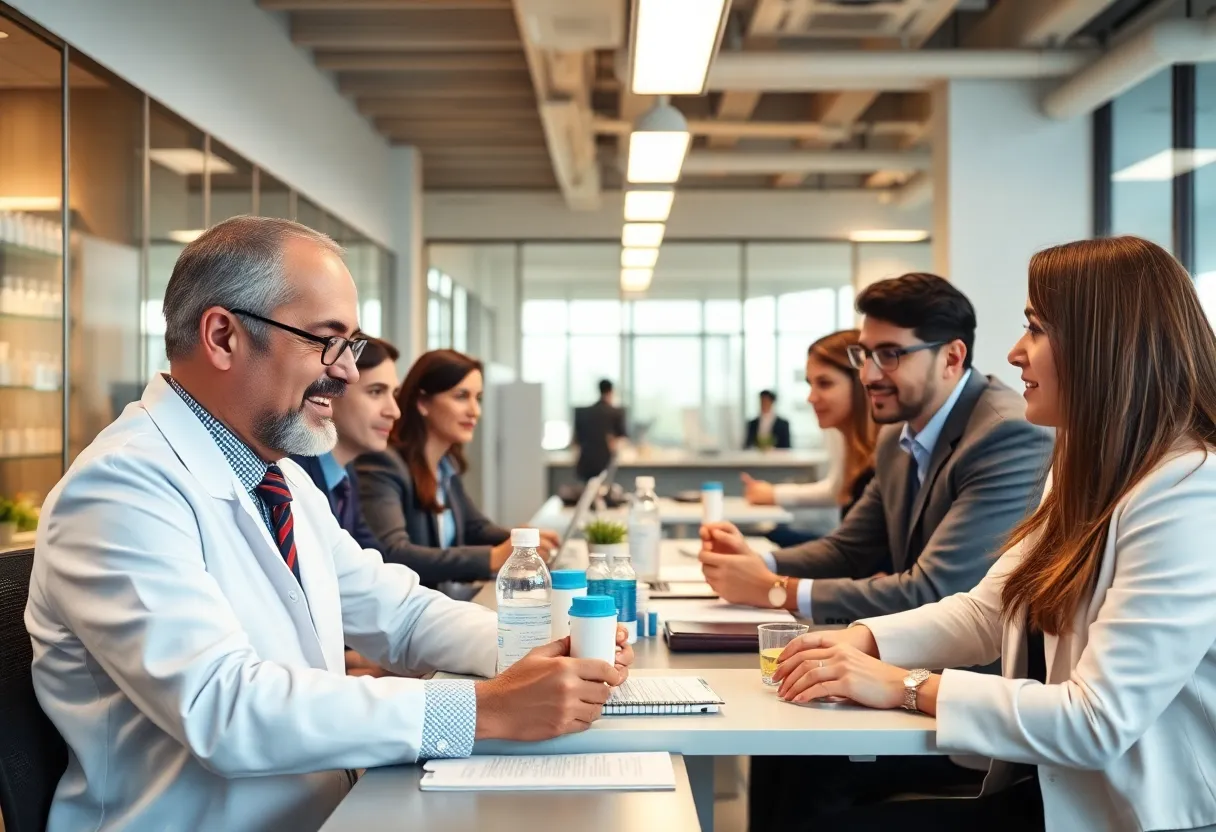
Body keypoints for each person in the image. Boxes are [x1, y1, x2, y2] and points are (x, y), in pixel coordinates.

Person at [24, 216, 634, 832]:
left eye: (351, 346)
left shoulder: (277, 477)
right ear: (222, 336)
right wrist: (481, 710)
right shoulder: (119, 488)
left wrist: (546, 649)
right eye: (326, 341)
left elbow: (398, 612)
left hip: (326, 811)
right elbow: (223, 708)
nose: (345, 372)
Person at [770, 236, 1216, 831]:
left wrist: (905, 685)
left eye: (1035, 329)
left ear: (1104, 345)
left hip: (1144, 818)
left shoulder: (1189, 492)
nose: (1013, 353)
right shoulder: (1090, 470)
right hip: (1056, 793)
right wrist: (861, 642)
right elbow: (989, 610)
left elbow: (1096, 721)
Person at [700, 272, 1052, 626]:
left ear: (951, 358)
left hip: (970, 674)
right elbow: (849, 550)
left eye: (889, 355)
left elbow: (936, 591)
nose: (868, 375)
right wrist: (755, 565)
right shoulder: (897, 434)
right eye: (865, 355)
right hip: (907, 657)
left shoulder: (1007, 435)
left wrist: (775, 589)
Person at [355, 349, 561, 592]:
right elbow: (394, 553)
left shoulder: (445, 465)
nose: (475, 411)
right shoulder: (384, 464)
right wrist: (493, 557)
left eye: (478, 398)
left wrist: (522, 541)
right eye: (461, 396)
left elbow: (476, 529)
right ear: (422, 402)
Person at [290, 335, 401, 678]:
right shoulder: (294, 474)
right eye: (376, 392)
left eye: (393, 394)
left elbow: (373, 567)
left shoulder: (344, 475)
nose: (393, 411)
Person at [743, 330, 878, 547]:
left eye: (824, 384)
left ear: (861, 382)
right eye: (810, 384)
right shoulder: (847, 441)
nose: (811, 398)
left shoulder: (886, 462)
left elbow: (859, 560)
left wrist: (775, 576)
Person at [572, 378, 627, 482]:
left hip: (585, 465)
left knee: (589, 493)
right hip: (605, 464)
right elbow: (621, 440)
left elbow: (575, 442)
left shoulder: (583, 413)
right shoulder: (615, 413)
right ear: (611, 391)